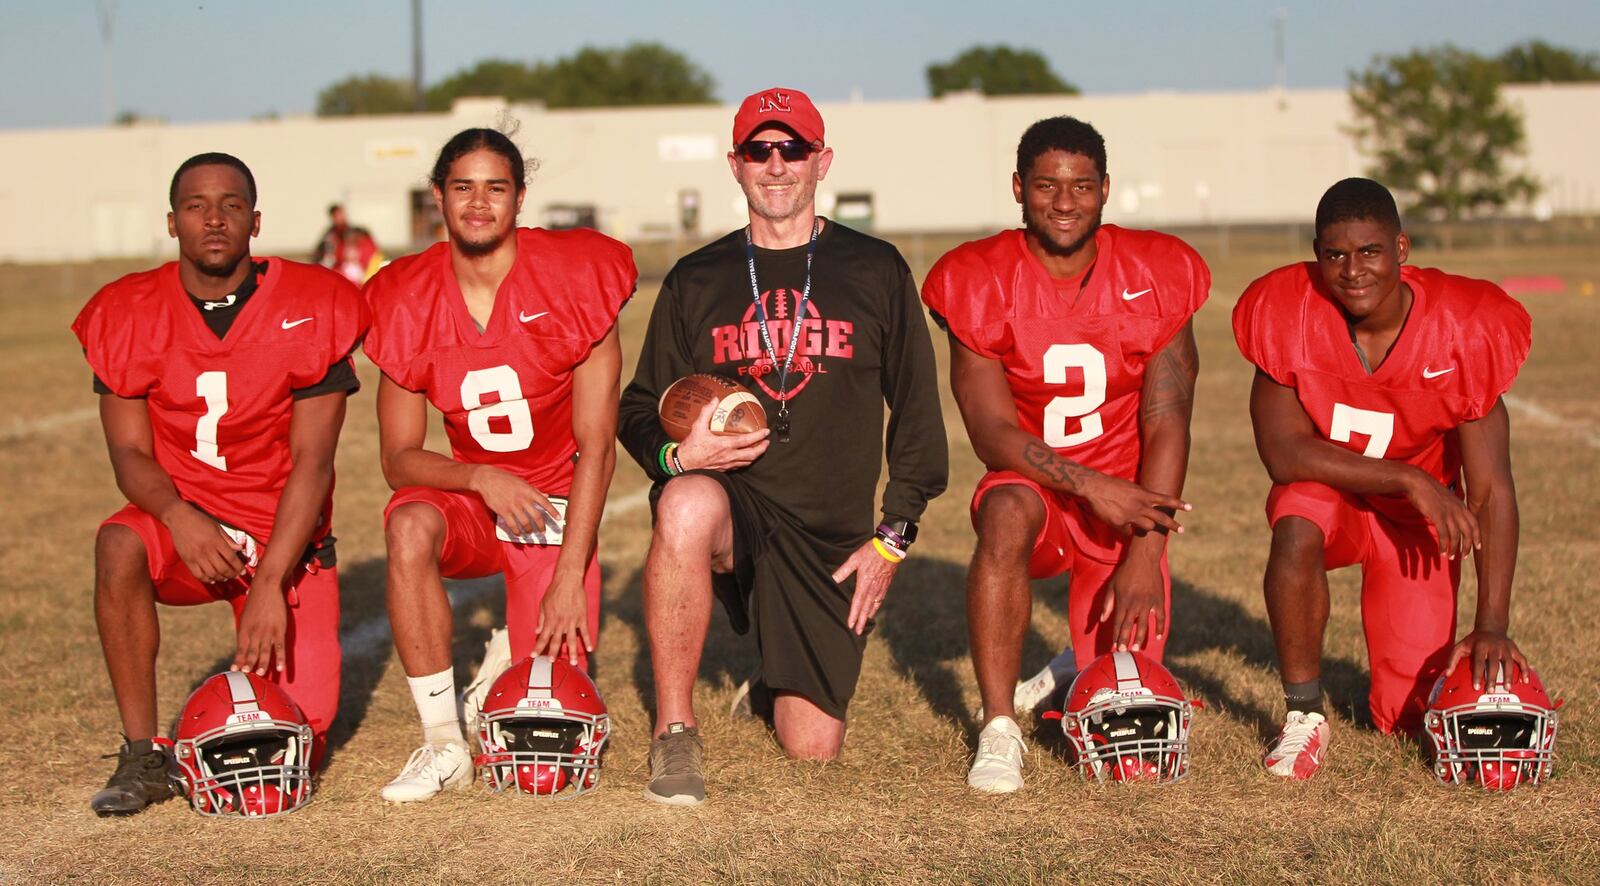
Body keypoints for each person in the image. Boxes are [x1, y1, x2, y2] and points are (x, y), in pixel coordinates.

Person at [616, 87, 947, 806]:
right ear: (734, 165)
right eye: (758, 150)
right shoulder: (696, 278)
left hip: (828, 534)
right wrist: (679, 458)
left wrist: (893, 535)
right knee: (684, 505)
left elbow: (918, 412)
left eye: (791, 149)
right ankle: (675, 732)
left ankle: (769, 684)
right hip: (738, 506)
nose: (776, 165)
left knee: (813, 750)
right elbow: (639, 407)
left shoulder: (875, 268)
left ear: (821, 161)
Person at [73, 152, 366, 816]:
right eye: (197, 205)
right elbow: (128, 453)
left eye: (231, 205)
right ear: (171, 221)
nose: (214, 219)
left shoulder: (310, 304)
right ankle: (143, 752)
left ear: (255, 222)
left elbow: (312, 465)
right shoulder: (128, 311)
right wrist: (179, 515)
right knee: (118, 543)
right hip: (191, 530)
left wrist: (269, 581)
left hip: (284, 542)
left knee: (291, 743)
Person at [922, 116, 1208, 794]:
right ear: (1019, 188)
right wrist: (1087, 485)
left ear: (1105, 190)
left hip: (1126, 500)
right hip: (1038, 487)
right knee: (1005, 513)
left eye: (1081, 186)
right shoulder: (979, 277)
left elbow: (1168, 421)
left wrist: (1146, 553)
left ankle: (1073, 660)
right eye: (1047, 185)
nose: (1064, 201)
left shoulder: (1156, 272)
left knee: (1123, 698)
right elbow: (991, 431)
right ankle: (998, 726)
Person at [363, 128, 635, 803]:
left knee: (543, 717)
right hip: (478, 507)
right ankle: (441, 742)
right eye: (463, 187)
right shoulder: (405, 295)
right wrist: (480, 476)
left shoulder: (576, 277)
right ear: (438, 197)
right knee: (407, 523)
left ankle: (508, 653)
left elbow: (597, 445)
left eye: (496, 187)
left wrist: (572, 571)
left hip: (553, 509)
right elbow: (399, 459)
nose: (478, 202)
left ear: (519, 197)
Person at [1233, 177, 1532, 780]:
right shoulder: (1287, 311)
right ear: (1316, 252)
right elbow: (1285, 454)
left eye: (1368, 251)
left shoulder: (1463, 328)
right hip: (1339, 499)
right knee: (1297, 510)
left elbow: (1493, 490)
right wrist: (1409, 478)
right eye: (1335, 254)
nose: (1351, 270)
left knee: (1405, 719)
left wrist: (1492, 621)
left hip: (1415, 526)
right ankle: (1303, 716)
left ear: (1400, 248)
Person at [312, 203, 384, 284]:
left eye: (341, 214)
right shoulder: (330, 235)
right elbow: (321, 255)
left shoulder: (358, 234)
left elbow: (373, 257)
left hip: (362, 272)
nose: (340, 217)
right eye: (336, 215)